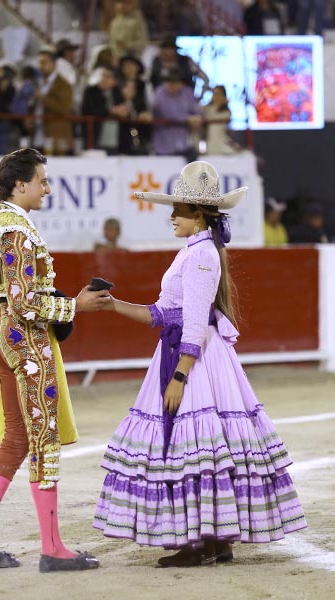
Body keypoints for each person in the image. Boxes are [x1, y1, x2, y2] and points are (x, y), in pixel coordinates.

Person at [94, 161, 307, 565]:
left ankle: (200, 542)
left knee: (191, 447)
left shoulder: (201, 255)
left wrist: (178, 376)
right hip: (192, 353)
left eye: (179, 210)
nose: (171, 216)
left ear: (199, 215)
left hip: (192, 359)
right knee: (209, 448)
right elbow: (162, 313)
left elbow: (192, 323)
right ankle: (215, 541)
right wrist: (114, 304)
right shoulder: (197, 251)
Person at [0, 148, 108, 572]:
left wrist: (5, 290)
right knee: (43, 439)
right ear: (20, 185)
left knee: (17, 438)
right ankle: (53, 548)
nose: (47, 188)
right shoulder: (16, 229)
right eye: (42, 181)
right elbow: (24, 303)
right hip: (25, 340)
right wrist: (74, 306)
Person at [152, 65, 203, 160]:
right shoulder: (159, 93)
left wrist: (197, 117)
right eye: (168, 81)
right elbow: (167, 113)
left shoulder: (187, 92)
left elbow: (197, 111)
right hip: (164, 146)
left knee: (193, 162)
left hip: (184, 144)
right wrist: (187, 118)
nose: (171, 84)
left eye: (175, 81)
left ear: (181, 83)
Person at [33, 47, 74, 155]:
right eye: (39, 63)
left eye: (44, 63)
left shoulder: (63, 85)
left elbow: (65, 108)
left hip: (56, 138)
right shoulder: (37, 82)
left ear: (54, 64)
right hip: (37, 135)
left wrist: (43, 98)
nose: (40, 66)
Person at [202, 85, 238, 156]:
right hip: (211, 143)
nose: (216, 97)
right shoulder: (207, 109)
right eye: (214, 94)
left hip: (222, 142)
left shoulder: (226, 112)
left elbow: (222, 118)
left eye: (218, 94)